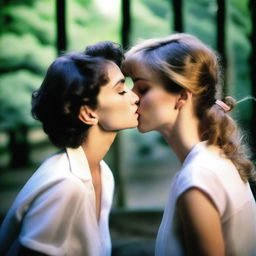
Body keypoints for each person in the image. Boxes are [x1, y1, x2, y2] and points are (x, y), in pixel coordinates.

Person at [0, 41, 139, 256]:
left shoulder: (102, 172)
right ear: (88, 113)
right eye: (121, 91)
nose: (135, 97)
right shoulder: (66, 185)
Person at [123, 33, 256, 256]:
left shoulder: (197, 180)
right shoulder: (213, 159)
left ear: (182, 97)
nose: (131, 97)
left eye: (143, 88)